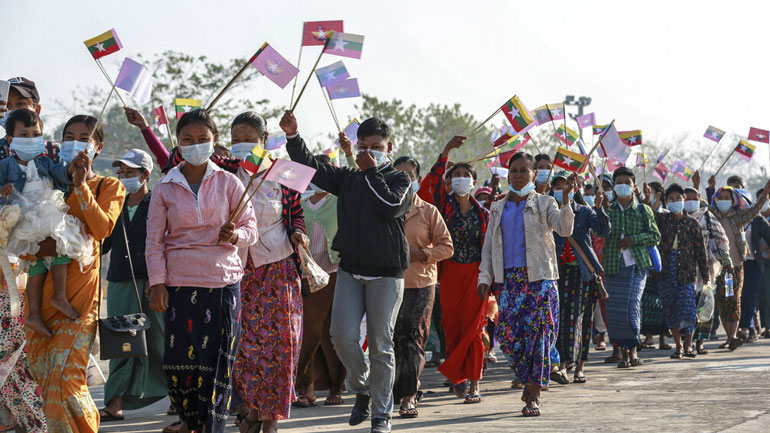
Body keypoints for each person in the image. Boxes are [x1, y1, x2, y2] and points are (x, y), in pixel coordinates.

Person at [283, 112, 412, 433]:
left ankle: (382, 414)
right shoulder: (349, 178)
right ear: (356, 147)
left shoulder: (401, 180)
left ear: (389, 147)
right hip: (351, 270)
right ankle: (363, 386)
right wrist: (293, 136)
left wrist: (370, 171)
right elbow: (310, 164)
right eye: (364, 146)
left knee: (382, 344)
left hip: (387, 272)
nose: (370, 152)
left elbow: (389, 206)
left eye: (377, 147)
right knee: (341, 337)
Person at [146, 109, 258, 433]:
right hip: (179, 285)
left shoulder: (229, 182)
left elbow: (252, 228)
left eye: (203, 139)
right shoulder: (165, 187)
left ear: (215, 141)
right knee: (180, 363)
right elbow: (154, 243)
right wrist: (157, 283)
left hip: (223, 283)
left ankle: (212, 428)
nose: (195, 145)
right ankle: (189, 421)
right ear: (177, 144)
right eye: (188, 140)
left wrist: (236, 235)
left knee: (218, 363)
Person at [24, 114, 126, 432]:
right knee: (42, 382)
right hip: (39, 300)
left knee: (67, 381)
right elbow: (26, 240)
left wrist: (81, 187)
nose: (76, 143)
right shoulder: (46, 183)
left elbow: (102, 228)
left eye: (84, 138)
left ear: (98, 147)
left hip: (79, 301)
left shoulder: (109, 185)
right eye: (69, 136)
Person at [477, 152, 574, 416]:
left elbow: (564, 229)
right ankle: (527, 377)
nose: (518, 175)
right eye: (514, 171)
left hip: (540, 280)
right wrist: (484, 278)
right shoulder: (497, 207)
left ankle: (533, 393)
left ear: (534, 175)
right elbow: (488, 247)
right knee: (507, 336)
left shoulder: (545, 203)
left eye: (524, 171)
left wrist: (565, 201)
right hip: (510, 281)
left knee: (539, 338)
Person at [227, 111, 307, 433]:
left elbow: (296, 213)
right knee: (243, 346)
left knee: (281, 345)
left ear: (263, 141)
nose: (241, 145)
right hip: (237, 270)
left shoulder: (285, 172)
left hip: (278, 268)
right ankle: (247, 410)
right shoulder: (224, 171)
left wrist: (298, 231)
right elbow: (176, 157)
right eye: (235, 140)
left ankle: (271, 416)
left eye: (249, 139)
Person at [1, 109, 89, 338]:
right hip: (23, 217)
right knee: (35, 264)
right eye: (25, 134)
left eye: (36, 134)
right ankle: (35, 313)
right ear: (10, 140)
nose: (31, 139)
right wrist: (3, 192)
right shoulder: (4, 166)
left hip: (48, 211)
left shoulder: (45, 161)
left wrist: (71, 168)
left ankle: (55, 298)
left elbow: (60, 174)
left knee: (63, 245)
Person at [420, 136, 489, 404]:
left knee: (474, 329)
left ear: (474, 181)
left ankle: (474, 384)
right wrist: (446, 150)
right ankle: (456, 377)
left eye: (465, 175)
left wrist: (490, 277)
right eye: (456, 175)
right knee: (452, 327)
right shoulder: (443, 205)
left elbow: (490, 248)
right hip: (448, 275)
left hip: (476, 275)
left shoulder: (484, 213)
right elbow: (435, 178)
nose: (461, 178)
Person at [99, 149, 167, 421]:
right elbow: (101, 242)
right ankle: (114, 402)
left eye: (130, 172)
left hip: (152, 282)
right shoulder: (114, 203)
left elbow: (165, 242)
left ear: (145, 174)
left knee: (159, 340)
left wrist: (157, 278)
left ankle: (174, 397)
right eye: (122, 172)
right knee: (120, 341)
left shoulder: (158, 203)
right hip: (119, 281)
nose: (124, 177)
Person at [392, 155, 453, 418]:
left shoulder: (428, 211)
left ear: (417, 178)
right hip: (388, 283)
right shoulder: (383, 210)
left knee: (415, 338)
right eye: (398, 175)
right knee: (393, 340)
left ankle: (409, 396)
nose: (404, 180)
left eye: (409, 175)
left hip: (420, 282)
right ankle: (394, 391)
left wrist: (423, 254)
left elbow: (447, 247)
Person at [294, 155, 347, 410]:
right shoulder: (298, 202)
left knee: (332, 332)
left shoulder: (340, 201)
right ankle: (305, 386)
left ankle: (335, 385)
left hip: (336, 272)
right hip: (307, 275)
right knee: (308, 332)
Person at [551, 170, 609, 382]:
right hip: (556, 273)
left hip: (582, 273)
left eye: (565, 185)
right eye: (557, 186)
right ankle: (560, 363)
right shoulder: (549, 211)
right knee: (559, 319)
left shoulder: (584, 211)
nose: (561, 190)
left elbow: (603, 229)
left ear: (574, 188)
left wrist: (600, 207)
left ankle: (576, 366)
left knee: (580, 319)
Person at [602, 167, 661, 368]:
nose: (623, 186)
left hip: (636, 266)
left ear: (634, 186)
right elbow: (599, 232)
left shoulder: (643, 210)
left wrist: (632, 240)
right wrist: (599, 210)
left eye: (627, 183)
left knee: (631, 305)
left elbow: (655, 236)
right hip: (612, 266)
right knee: (615, 310)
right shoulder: (607, 209)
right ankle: (622, 353)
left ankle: (633, 350)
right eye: (619, 182)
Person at [710, 182, 770, 350]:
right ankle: (730, 337)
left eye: (726, 198)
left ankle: (733, 336)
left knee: (734, 299)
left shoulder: (739, 217)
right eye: (720, 198)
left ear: (733, 200)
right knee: (722, 302)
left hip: (734, 268)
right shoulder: (711, 217)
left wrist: (765, 194)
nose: (723, 201)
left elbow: (755, 209)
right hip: (717, 269)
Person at [655, 183, 709, 358]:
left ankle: (688, 346)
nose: (675, 202)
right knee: (671, 309)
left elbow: (701, 251)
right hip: (665, 271)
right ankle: (678, 346)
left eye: (678, 198)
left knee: (687, 308)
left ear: (683, 200)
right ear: (666, 202)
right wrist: (654, 200)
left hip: (687, 272)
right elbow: (649, 216)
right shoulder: (662, 220)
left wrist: (705, 274)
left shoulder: (693, 224)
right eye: (671, 199)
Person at [682, 182, 732, 355]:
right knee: (686, 307)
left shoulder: (708, 217)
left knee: (705, 307)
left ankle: (700, 343)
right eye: (686, 199)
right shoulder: (673, 219)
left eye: (693, 199)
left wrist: (727, 263)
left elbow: (721, 241)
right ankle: (685, 343)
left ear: (699, 200)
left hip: (706, 271)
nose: (690, 202)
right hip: (682, 271)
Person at [737, 189, 770, 343]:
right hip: (737, 263)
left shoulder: (757, 220)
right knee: (737, 298)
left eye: (742, 200)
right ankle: (748, 327)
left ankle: (744, 328)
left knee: (749, 296)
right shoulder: (732, 219)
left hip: (754, 263)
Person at [0, 77, 59, 162]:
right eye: (6, 105)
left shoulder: (52, 150)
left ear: (37, 110)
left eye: (21, 103)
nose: (12, 110)